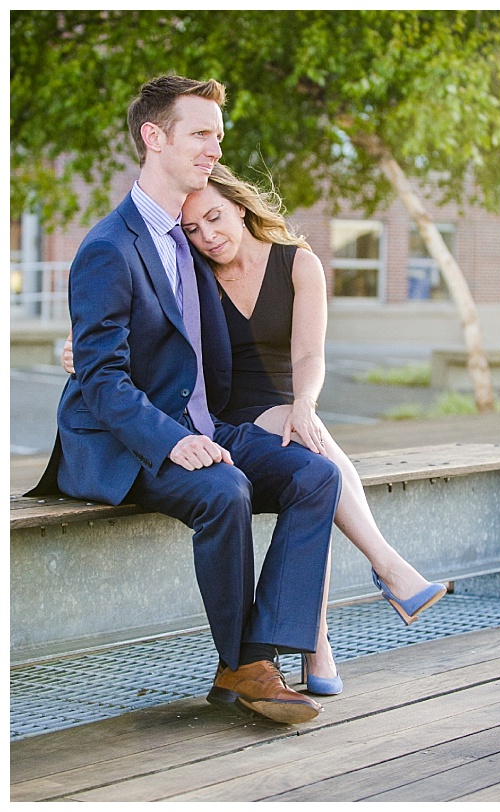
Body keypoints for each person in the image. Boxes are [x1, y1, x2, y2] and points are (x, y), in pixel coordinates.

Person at [30, 76, 341, 725]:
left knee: (317, 475)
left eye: (217, 135)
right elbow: (104, 378)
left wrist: (291, 402)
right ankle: (250, 669)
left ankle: (253, 657)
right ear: (153, 137)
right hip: (129, 441)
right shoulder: (108, 247)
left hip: (208, 426)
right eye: (200, 133)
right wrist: (171, 438)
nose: (213, 146)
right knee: (223, 490)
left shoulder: (189, 239)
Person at [178, 163, 447, 693]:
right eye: (193, 229)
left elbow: (309, 354)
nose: (208, 236)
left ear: (240, 206)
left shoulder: (299, 264)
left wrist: (305, 402)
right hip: (229, 416)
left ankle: (323, 635)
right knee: (310, 451)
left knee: (312, 458)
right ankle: (381, 574)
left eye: (214, 218)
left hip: (287, 406)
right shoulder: (193, 275)